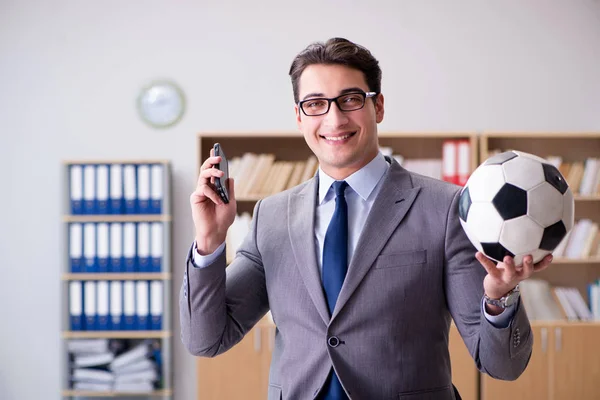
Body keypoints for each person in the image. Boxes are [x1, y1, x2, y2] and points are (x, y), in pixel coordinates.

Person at [180, 37, 553, 400]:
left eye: (350, 99)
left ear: (378, 107)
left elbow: (501, 365)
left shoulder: (444, 208)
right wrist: (209, 244)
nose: (334, 118)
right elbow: (206, 339)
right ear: (298, 116)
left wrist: (500, 298)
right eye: (315, 104)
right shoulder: (271, 217)